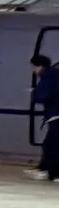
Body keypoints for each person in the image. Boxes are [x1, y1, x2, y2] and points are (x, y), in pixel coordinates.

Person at [30, 54, 59, 182]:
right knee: (50, 144)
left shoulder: (48, 77)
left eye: (34, 67)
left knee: (52, 144)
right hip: (55, 114)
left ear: (40, 66)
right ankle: (46, 169)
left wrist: (34, 93)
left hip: (56, 114)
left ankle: (53, 172)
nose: (34, 71)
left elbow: (41, 96)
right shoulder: (54, 75)